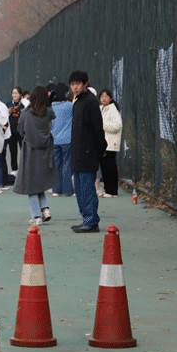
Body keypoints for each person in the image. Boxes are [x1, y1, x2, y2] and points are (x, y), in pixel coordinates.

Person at [13, 86, 57, 225]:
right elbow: (53, 127)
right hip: (45, 151)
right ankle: (45, 209)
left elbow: (20, 130)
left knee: (30, 184)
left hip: (30, 152)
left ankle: (36, 216)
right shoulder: (49, 113)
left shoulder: (26, 113)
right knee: (39, 183)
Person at [69, 71, 107, 233]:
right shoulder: (78, 101)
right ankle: (86, 218)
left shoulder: (90, 102)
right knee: (79, 189)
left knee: (87, 189)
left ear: (85, 84)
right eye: (72, 84)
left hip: (87, 153)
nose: (75, 87)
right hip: (77, 153)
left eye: (78, 84)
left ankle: (91, 221)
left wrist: (100, 149)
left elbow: (98, 128)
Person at [49, 83, 74, 196]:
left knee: (56, 165)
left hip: (54, 139)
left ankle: (56, 190)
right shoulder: (70, 106)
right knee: (67, 165)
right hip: (67, 139)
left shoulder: (51, 106)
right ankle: (67, 190)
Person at [99, 89, 122, 198]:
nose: (104, 98)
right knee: (104, 167)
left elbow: (117, 126)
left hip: (111, 143)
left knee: (110, 167)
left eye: (106, 96)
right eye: (102, 96)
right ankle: (107, 189)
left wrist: (102, 125)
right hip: (102, 143)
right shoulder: (101, 109)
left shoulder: (113, 110)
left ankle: (113, 191)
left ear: (110, 98)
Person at [6, 87, 26, 175]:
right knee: (12, 150)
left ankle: (24, 168)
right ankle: (14, 169)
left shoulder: (23, 105)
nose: (14, 95)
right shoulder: (8, 104)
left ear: (20, 95)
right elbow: (4, 117)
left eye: (16, 93)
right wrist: (8, 112)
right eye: (13, 93)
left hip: (21, 131)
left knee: (24, 150)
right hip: (11, 131)